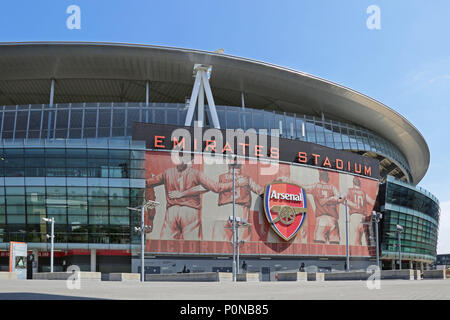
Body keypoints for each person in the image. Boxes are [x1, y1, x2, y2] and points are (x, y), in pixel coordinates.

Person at [146, 157, 247, 240]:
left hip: (171, 212)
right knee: (191, 244)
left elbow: (148, 183)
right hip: (190, 211)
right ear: (192, 161)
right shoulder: (196, 173)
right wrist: (237, 183)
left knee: (166, 244)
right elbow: (217, 187)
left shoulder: (167, 173)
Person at [213, 162, 263, 242]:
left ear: (228, 165)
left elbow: (217, 188)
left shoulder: (222, 177)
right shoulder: (246, 178)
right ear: (241, 166)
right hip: (241, 209)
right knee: (240, 238)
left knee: (221, 237)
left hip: (224, 208)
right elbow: (259, 190)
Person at [303, 170, 341, 244]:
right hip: (333, 220)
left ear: (320, 178)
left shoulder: (315, 186)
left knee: (319, 246)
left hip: (321, 219)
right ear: (328, 178)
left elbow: (304, 187)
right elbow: (341, 197)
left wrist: (289, 181)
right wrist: (333, 198)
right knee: (334, 247)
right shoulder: (332, 187)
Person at [344, 176, 375, 246]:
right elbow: (372, 202)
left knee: (356, 240)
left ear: (353, 183)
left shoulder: (349, 190)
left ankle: (355, 256)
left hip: (355, 216)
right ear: (359, 184)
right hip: (364, 217)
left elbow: (341, 197)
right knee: (365, 242)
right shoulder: (363, 193)